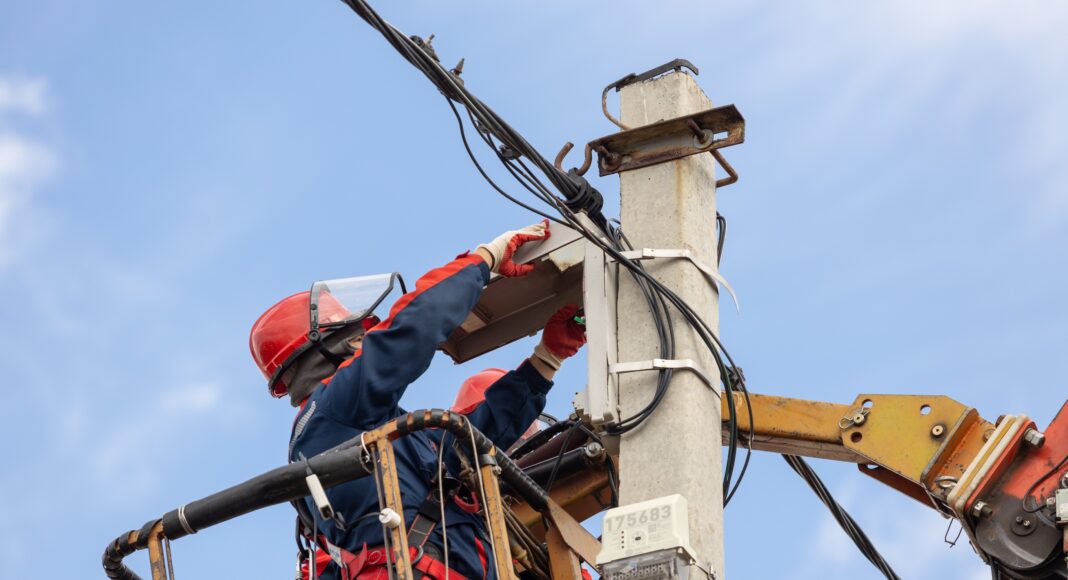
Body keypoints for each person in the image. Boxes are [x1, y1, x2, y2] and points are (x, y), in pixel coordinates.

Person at [248, 221, 587, 580]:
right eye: (358, 336)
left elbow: (472, 440)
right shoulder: (333, 411)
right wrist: (485, 259)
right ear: (327, 349)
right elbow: (412, 330)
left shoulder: (378, 435)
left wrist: (547, 358)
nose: (366, 342)